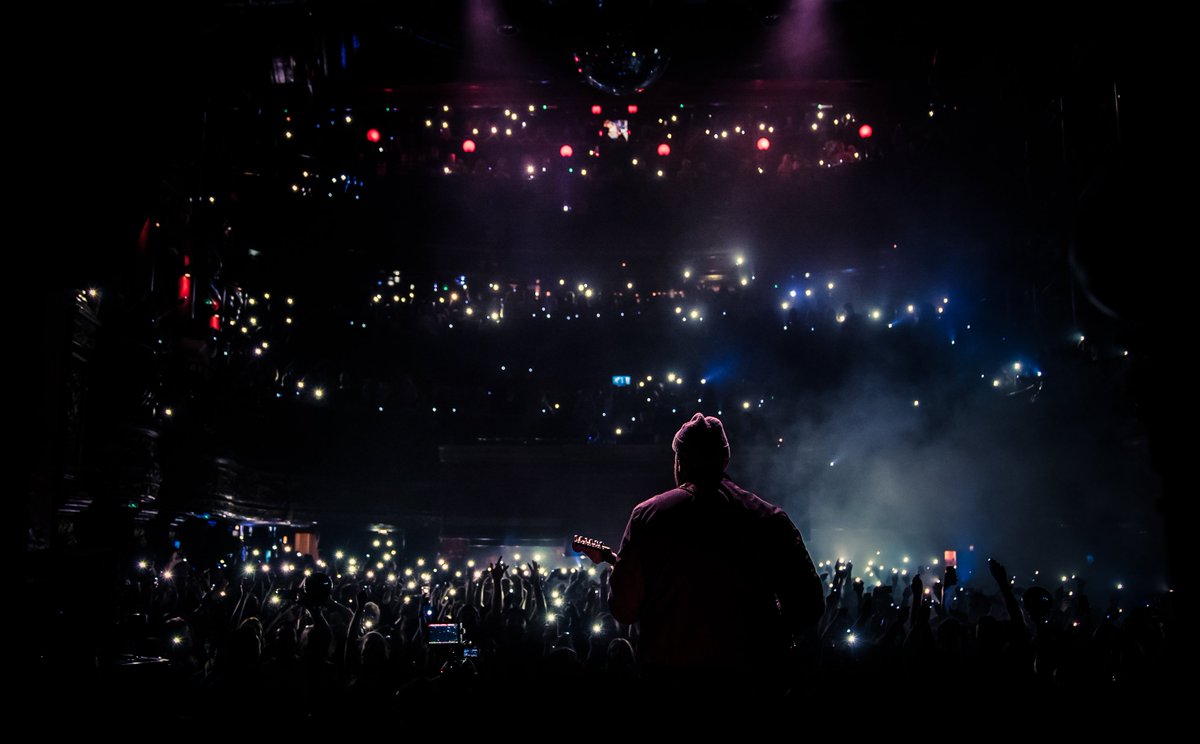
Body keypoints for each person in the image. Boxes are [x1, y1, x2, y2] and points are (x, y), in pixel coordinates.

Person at [597, 412, 824, 692]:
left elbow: (624, 608)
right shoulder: (769, 519)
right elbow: (810, 604)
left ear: (679, 462)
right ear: (725, 460)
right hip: (752, 681)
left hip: (670, 681)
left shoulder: (649, 516)